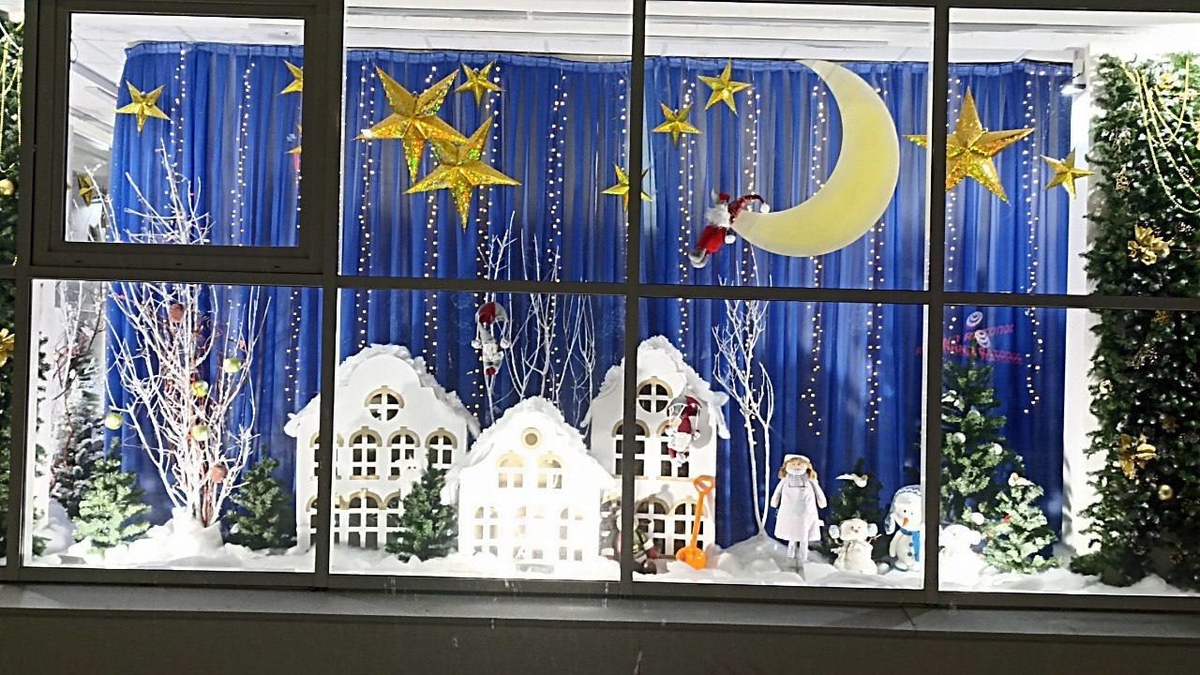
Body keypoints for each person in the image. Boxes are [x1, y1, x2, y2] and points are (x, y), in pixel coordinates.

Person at [769, 454, 827, 567]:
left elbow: (818, 490)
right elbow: (777, 492)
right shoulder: (785, 480)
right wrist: (774, 500)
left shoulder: (810, 480)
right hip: (790, 512)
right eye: (793, 464)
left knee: (804, 537)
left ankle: (803, 559)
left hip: (806, 513)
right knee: (792, 537)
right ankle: (790, 559)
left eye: (799, 464)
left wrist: (821, 500)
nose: (796, 466)